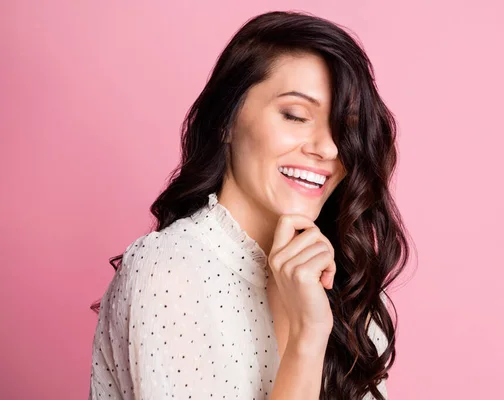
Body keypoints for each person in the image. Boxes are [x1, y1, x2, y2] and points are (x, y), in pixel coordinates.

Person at [89, 10, 411, 400]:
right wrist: (307, 338)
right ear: (227, 120)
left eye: (344, 127)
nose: (327, 148)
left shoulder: (348, 289)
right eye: (295, 115)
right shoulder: (170, 268)